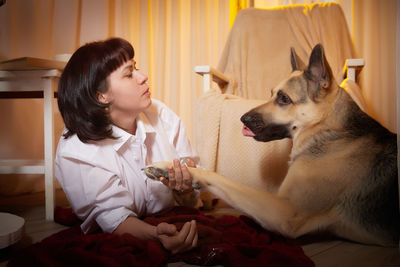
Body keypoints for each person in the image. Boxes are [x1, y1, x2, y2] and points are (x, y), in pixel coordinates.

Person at [55, 37, 199, 254]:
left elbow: (194, 187)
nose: (143, 77)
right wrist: (155, 234)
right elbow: (114, 217)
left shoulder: (162, 115)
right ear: (101, 95)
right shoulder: (77, 150)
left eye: (137, 67)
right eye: (129, 73)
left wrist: (188, 185)